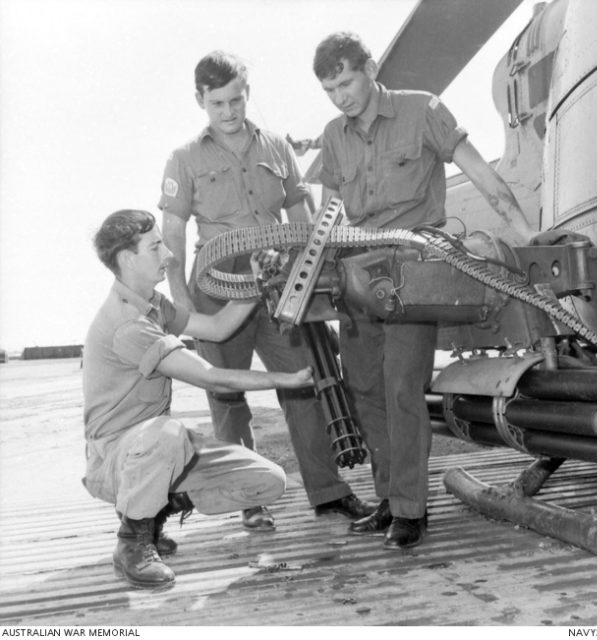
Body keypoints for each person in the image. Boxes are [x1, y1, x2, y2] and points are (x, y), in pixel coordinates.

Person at [312, 32, 535, 549]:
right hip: (356, 277)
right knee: (365, 389)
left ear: (369, 68)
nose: (341, 96)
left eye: (346, 82)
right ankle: (388, 499)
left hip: (413, 274)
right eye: (330, 89)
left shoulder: (423, 111)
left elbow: (482, 173)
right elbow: (327, 214)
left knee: (401, 390)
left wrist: (524, 236)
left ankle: (412, 511)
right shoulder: (332, 135)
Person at [158, 50, 374, 532]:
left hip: (278, 279)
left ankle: (329, 492)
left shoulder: (277, 146)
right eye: (218, 104)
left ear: (247, 93)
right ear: (201, 101)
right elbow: (171, 231)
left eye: (236, 100)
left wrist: (309, 275)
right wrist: (183, 300)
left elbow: (301, 214)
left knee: (302, 380)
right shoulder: (184, 158)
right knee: (228, 396)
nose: (230, 111)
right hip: (217, 283)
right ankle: (251, 498)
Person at [82, 209, 315, 589]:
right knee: (168, 434)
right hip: (116, 459)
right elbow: (212, 378)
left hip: (154, 451)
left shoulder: (153, 305)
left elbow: (218, 328)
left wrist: (258, 281)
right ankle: (133, 541)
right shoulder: (128, 324)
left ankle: (153, 510)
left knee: (268, 481)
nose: (169, 256)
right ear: (127, 259)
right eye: (156, 247)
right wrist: (287, 379)